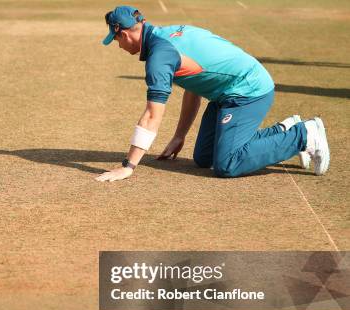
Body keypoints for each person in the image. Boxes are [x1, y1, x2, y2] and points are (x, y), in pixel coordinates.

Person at [95, 5, 330, 182]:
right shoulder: (166, 34)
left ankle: (304, 135)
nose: (118, 46)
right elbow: (193, 87)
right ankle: (284, 129)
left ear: (124, 34)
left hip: (248, 91)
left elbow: (151, 116)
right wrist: (179, 135)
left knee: (227, 163)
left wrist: (128, 166)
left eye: (115, 39)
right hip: (226, 94)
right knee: (203, 158)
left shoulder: (158, 57)